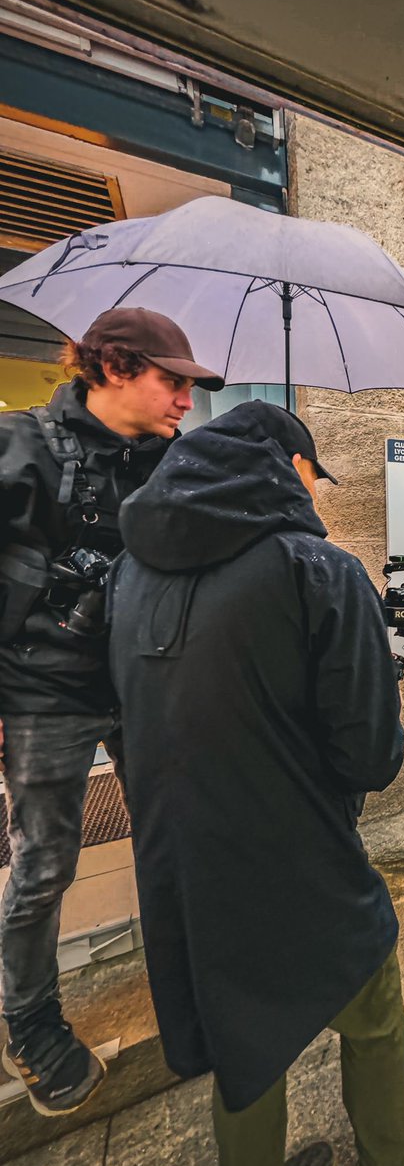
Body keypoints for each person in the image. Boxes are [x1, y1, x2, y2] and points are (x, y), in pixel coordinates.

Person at [106, 401, 404, 1166]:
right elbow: (370, 758)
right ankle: (392, 1159)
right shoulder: (319, 569)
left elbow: (122, 718)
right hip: (302, 857)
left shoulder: (127, 572)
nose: (319, 494)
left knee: (241, 1040)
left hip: (181, 861)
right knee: (372, 1008)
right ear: (290, 468)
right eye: (316, 476)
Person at [0, 307, 223, 1116]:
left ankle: (193, 971)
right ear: (115, 367)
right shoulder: (19, 445)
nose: (184, 403)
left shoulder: (171, 461)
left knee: (171, 828)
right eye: (173, 383)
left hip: (140, 680)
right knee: (46, 859)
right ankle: (28, 1023)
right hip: (39, 689)